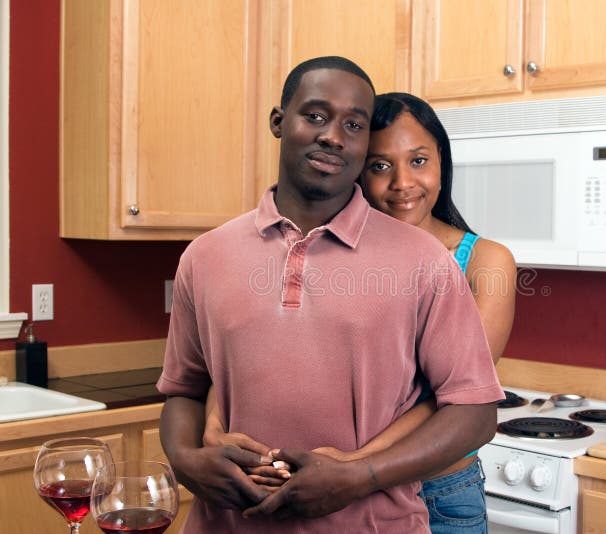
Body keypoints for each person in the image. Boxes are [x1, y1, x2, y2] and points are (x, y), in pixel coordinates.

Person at [157, 56, 504, 533]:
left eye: (353, 125)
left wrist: (358, 475)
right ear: (279, 122)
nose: (333, 136)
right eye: (316, 116)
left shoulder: (424, 260)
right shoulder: (204, 256)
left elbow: (475, 412)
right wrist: (184, 460)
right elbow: (185, 390)